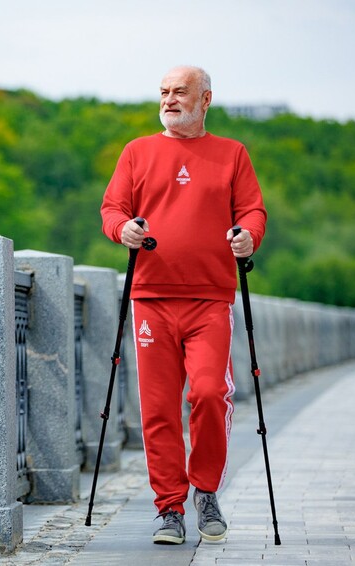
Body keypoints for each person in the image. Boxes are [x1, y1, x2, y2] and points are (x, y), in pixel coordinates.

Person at [100, 65, 267, 545]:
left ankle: (206, 490)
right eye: (164, 92)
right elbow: (112, 208)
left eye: (180, 92)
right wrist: (121, 229)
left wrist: (247, 236)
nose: (170, 99)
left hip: (210, 299)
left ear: (206, 99)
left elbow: (252, 210)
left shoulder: (232, 154)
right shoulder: (138, 151)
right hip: (151, 298)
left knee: (210, 393)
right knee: (157, 409)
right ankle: (169, 508)